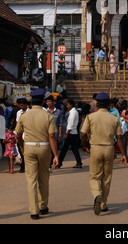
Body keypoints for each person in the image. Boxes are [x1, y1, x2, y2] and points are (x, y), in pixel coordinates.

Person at [15, 89, 59, 220]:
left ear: (31, 101)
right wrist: (56, 155)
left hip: (29, 147)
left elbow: (18, 135)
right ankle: (43, 206)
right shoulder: (48, 116)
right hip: (44, 147)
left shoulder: (24, 116)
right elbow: (52, 136)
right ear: (43, 102)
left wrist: (22, 147)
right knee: (44, 177)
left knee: (31, 179)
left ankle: (34, 211)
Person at [81, 92, 127, 215]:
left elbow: (83, 134)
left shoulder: (90, 117)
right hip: (109, 148)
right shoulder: (114, 118)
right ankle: (103, 203)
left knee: (95, 176)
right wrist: (123, 154)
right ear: (108, 105)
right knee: (106, 177)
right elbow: (119, 138)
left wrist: (85, 145)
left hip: (95, 147)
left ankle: (97, 194)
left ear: (96, 104)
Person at [58, 99, 82, 169]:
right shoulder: (73, 112)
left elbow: (71, 124)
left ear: (71, 105)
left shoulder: (73, 112)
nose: (67, 106)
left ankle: (59, 162)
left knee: (64, 148)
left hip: (70, 132)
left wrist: (67, 133)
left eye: (68, 105)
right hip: (73, 132)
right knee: (74, 148)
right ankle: (79, 162)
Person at [46, 95, 62, 170]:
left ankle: (55, 162)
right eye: (47, 101)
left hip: (55, 134)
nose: (48, 103)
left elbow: (60, 124)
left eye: (49, 101)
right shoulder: (45, 112)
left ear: (53, 102)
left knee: (55, 150)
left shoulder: (58, 112)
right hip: (47, 135)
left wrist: (60, 133)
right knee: (48, 150)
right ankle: (49, 165)